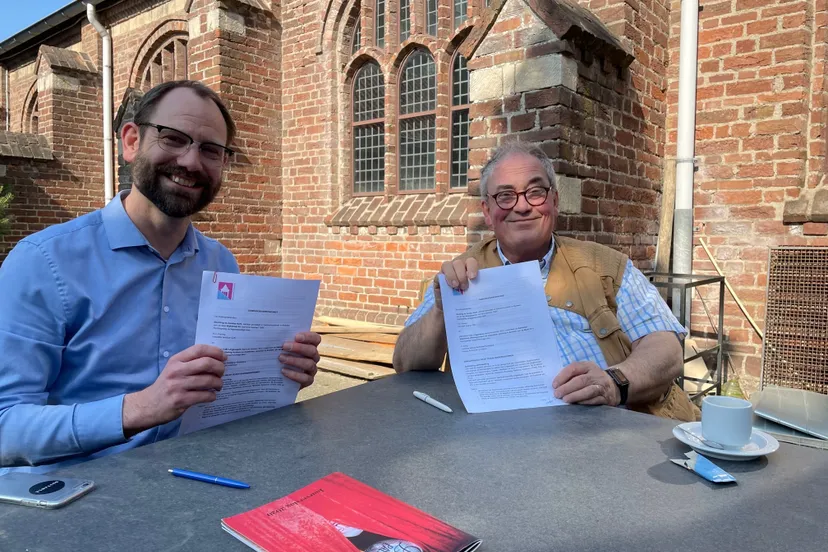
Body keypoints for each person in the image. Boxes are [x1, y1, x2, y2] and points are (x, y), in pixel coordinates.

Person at [0, 80, 321, 473]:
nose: (190, 162)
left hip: (188, 477)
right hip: (74, 494)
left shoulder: (221, 263)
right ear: (131, 141)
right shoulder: (42, 262)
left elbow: (219, 397)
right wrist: (141, 407)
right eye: (173, 139)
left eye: (210, 150)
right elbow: (6, 429)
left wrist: (276, 376)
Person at [393, 141, 696, 421]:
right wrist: (441, 312)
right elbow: (405, 362)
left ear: (554, 200)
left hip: (613, 432)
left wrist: (614, 382)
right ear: (487, 211)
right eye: (505, 196)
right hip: (499, 437)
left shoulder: (604, 265)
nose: (522, 206)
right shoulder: (462, 274)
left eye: (535, 192)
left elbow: (666, 349)